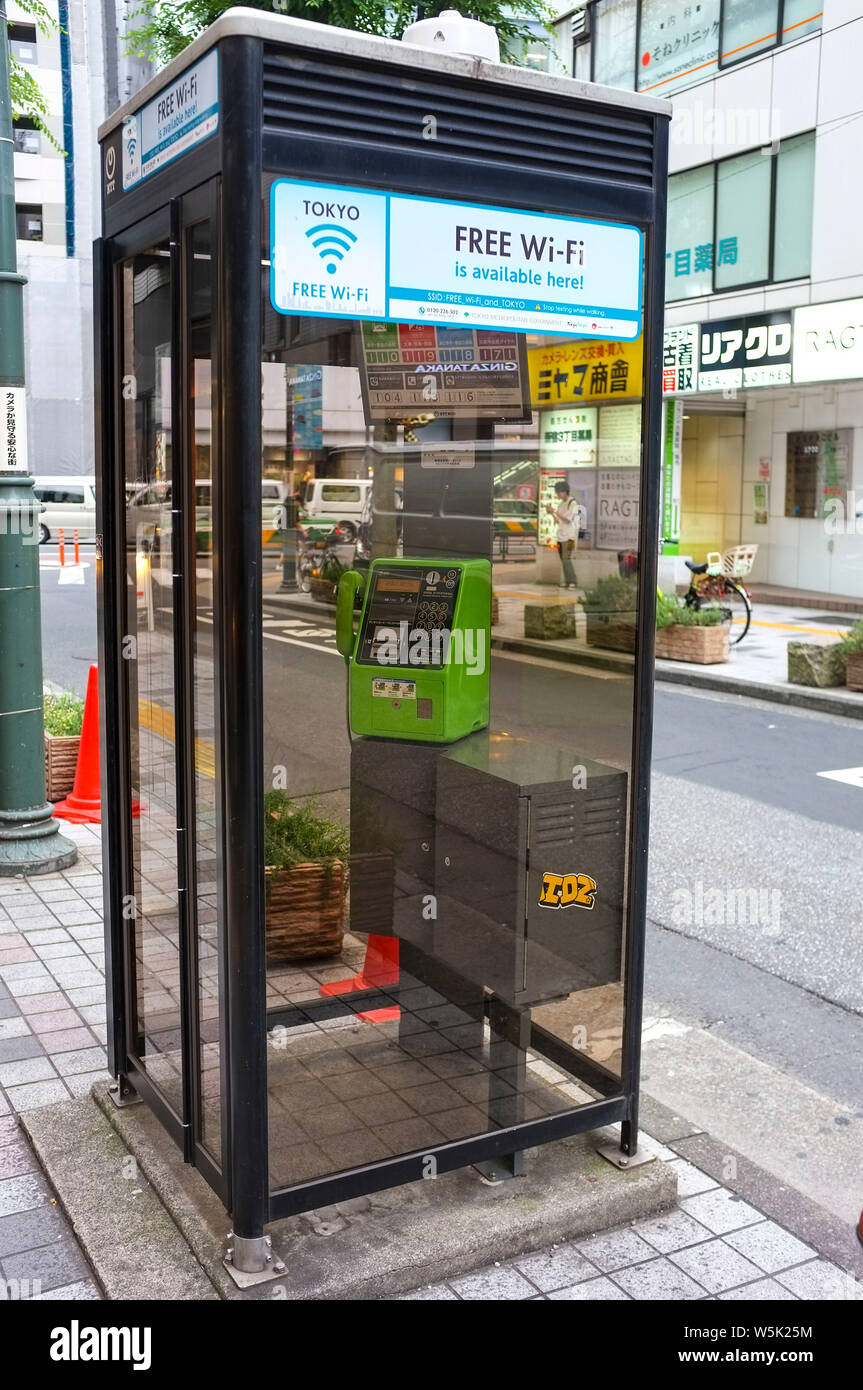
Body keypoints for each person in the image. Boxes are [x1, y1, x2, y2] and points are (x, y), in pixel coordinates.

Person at [546, 480, 580, 589]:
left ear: (565, 491)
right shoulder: (561, 504)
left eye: (559, 492)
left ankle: (573, 582)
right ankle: (567, 581)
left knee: (566, 559)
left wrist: (554, 511)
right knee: (563, 560)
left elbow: (568, 519)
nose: (558, 494)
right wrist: (551, 514)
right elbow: (559, 521)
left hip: (570, 537)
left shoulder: (572, 503)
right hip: (561, 536)